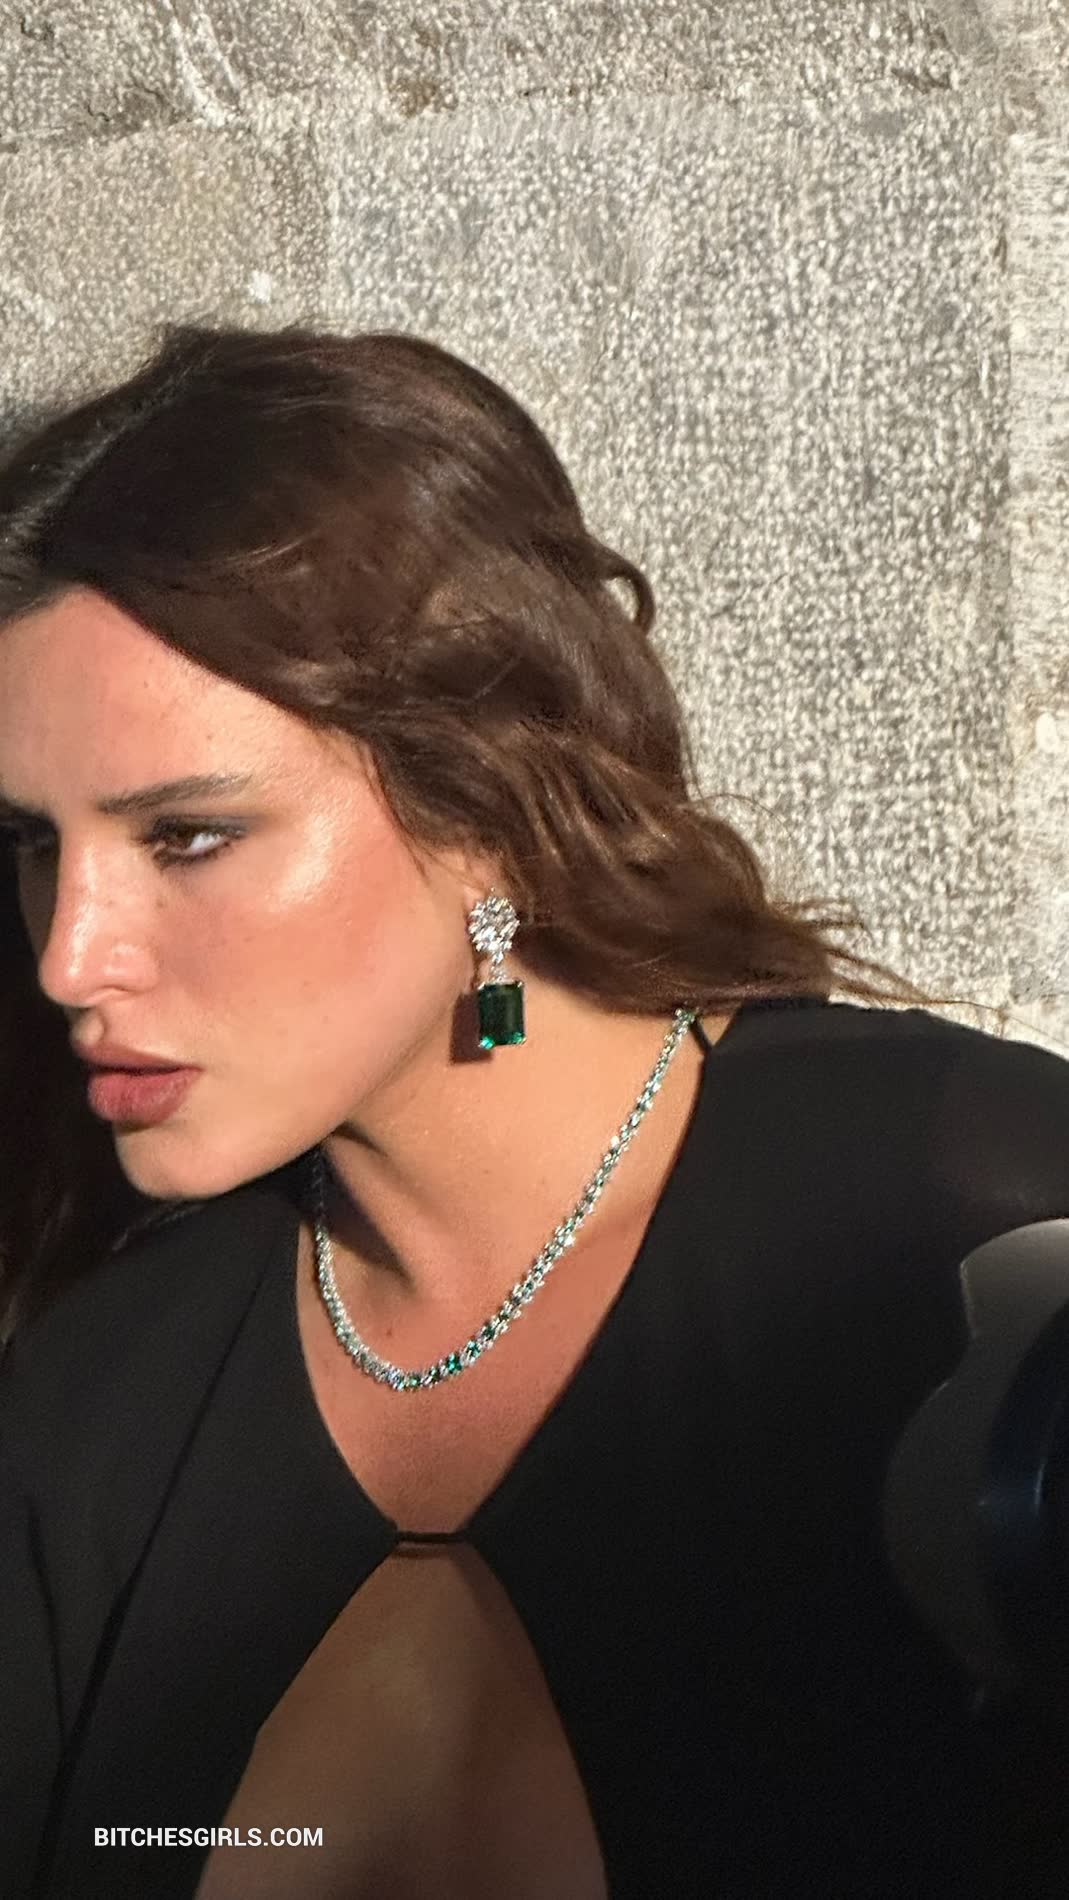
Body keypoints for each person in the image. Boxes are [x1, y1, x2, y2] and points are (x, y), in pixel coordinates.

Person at [0, 323, 1066, 1900]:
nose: (70, 955)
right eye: (34, 845)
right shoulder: (94, 1411)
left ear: (484, 809)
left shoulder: (962, 1223)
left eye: (189, 837)